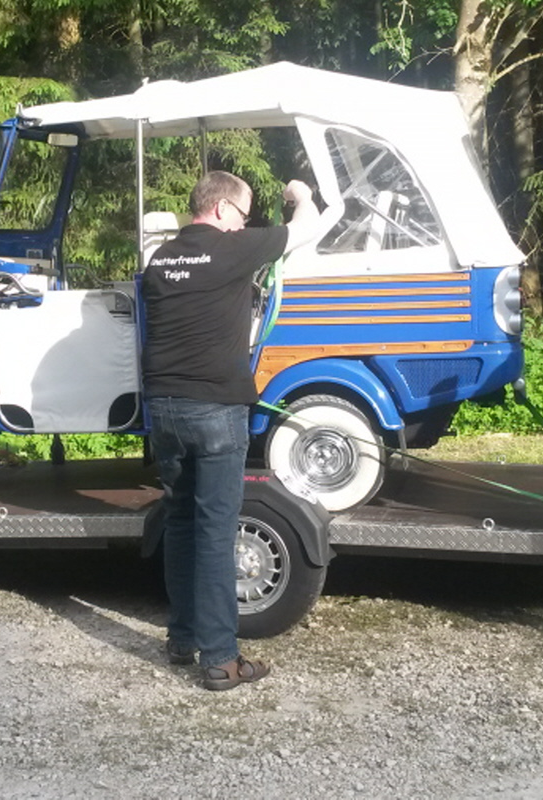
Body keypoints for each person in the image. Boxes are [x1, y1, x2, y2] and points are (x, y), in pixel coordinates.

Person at [143, 170, 319, 690]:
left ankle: (182, 638)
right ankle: (221, 658)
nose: (245, 224)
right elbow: (308, 227)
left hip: (164, 409)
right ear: (221, 209)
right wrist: (300, 194)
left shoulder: (161, 259)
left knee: (180, 521)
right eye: (242, 214)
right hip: (215, 409)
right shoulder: (232, 249)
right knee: (216, 531)